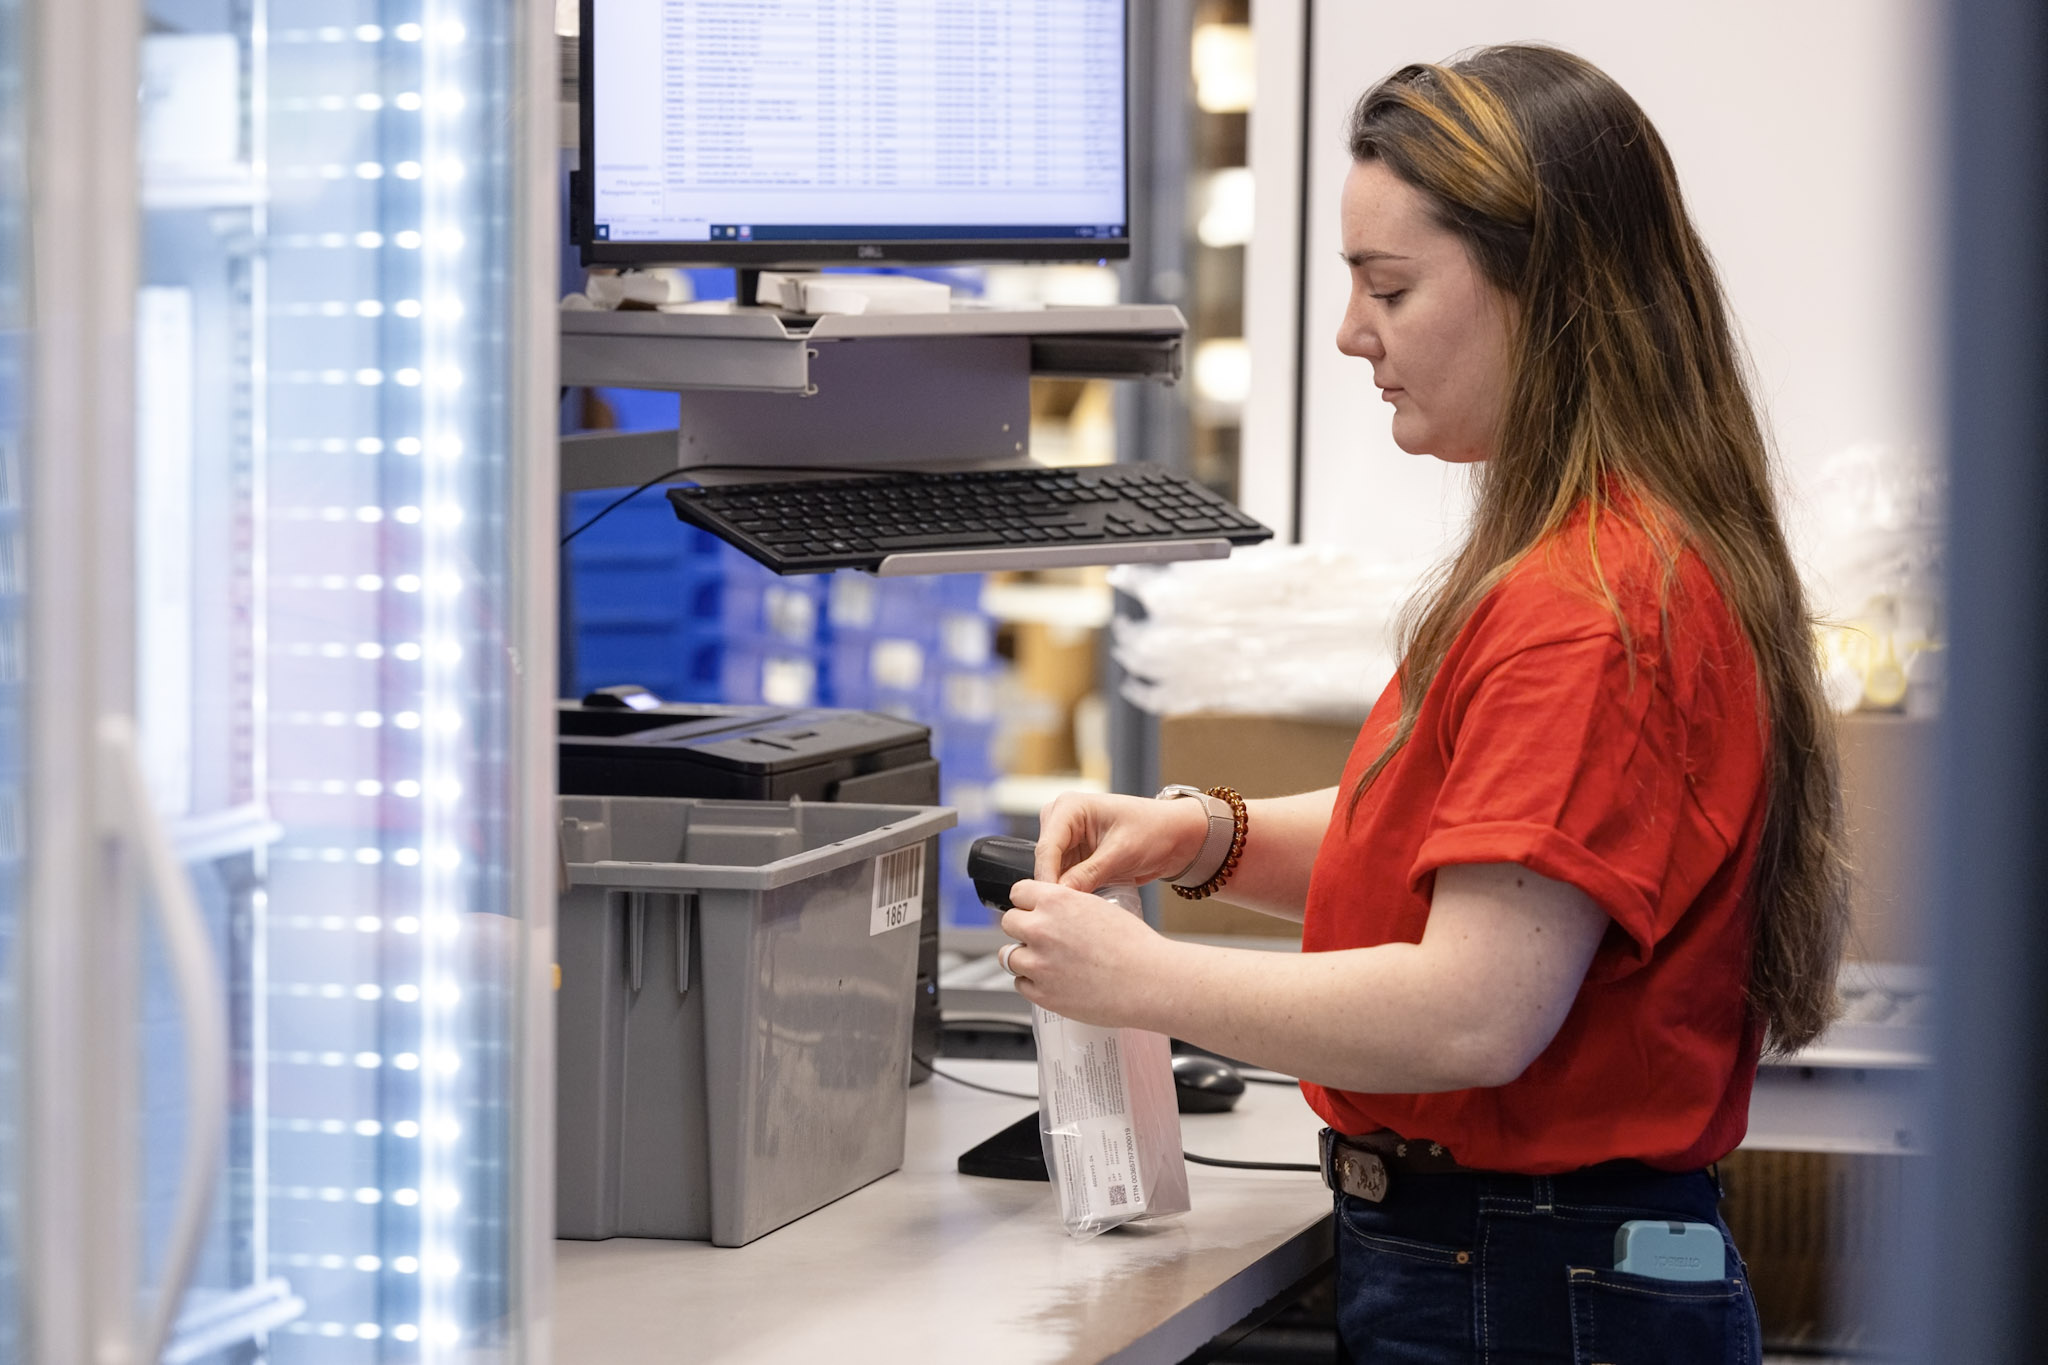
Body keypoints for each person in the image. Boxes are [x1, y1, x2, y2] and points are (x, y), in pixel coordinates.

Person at [999, 44, 1849, 1364]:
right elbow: (1475, 858)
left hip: (1525, 1278)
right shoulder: (1594, 558)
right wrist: (1209, 838)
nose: (1352, 332)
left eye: (1388, 286)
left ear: (1544, 288)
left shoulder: (1595, 606)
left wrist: (1148, 981)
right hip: (1517, 1261)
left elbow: (1473, 1007)